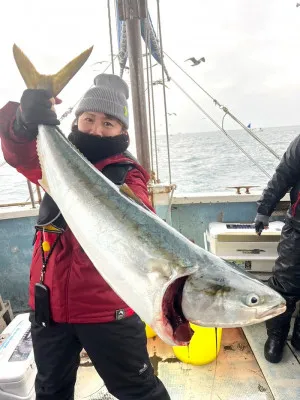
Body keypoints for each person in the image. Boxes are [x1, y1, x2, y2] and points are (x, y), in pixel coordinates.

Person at [0, 74, 171, 400]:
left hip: (107, 310)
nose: (95, 129)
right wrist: (25, 122)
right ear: (75, 120)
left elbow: (142, 222)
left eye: (108, 123)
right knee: (51, 391)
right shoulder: (55, 157)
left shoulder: (128, 174)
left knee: (139, 391)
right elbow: (19, 154)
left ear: (123, 131)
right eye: (88, 119)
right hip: (48, 306)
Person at [254, 135, 300, 364]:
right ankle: (276, 336)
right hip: (298, 229)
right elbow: (282, 176)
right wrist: (264, 210)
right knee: (285, 284)